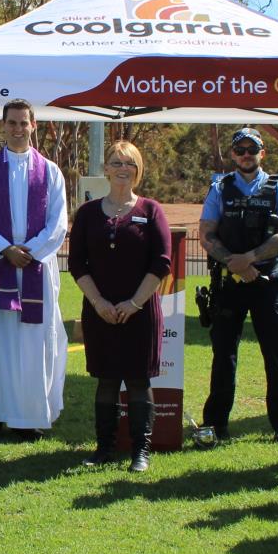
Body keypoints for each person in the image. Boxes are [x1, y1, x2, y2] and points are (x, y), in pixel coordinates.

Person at [0, 99, 69, 442]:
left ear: (33, 125)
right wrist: (5, 250)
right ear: (3, 125)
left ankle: (29, 415)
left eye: (24, 123)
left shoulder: (50, 172)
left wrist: (31, 252)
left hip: (37, 266)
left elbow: (58, 223)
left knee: (36, 341)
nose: (18, 129)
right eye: (12, 123)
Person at [71, 141, 171, 471]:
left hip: (139, 313)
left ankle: (140, 452)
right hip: (100, 312)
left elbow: (161, 263)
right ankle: (104, 448)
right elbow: (77, 264)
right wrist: (99, 302)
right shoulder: (87, 213)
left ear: (138, 170)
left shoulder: (151, 210)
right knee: (107, 380)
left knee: (139, 381)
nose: (122, 169)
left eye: (129, 163)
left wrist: (134, 303)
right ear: (106, 169)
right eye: (116, 162)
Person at [197, 127, 278, 444]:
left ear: (262, 153)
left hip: (268, 283)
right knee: (223, 356)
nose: (245, 155)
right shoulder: (219, 188)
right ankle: (216, 425)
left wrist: (250, 260)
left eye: (251, 149)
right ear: (232, 154)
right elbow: (206, 233)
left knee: (276, 355)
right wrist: (234, 264)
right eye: (239, 150)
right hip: (229, 284)